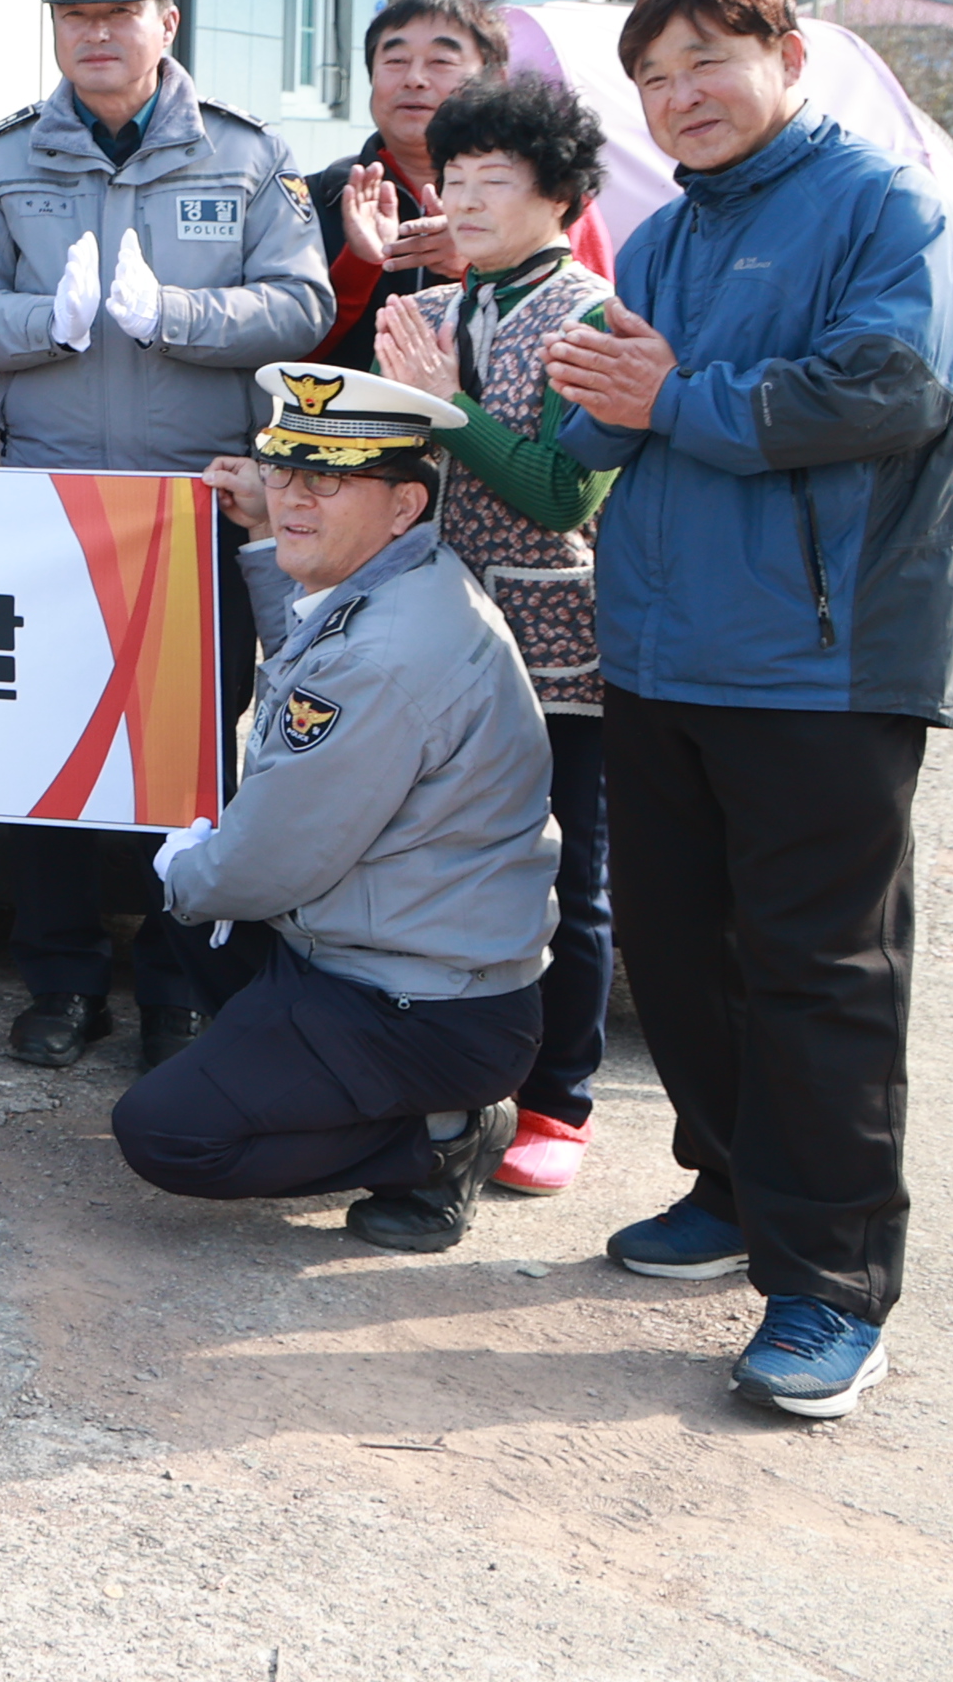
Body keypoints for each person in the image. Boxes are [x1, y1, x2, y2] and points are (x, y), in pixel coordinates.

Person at [547, 0, 953, 1421]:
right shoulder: (664, 237)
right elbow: (602, 412)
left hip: (822, 659)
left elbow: (890, 386)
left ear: (786, 58)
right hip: (665, 656)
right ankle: (731, 1191)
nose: (681, 98)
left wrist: (674, 396)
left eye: (706, 64)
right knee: (681, 955)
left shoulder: (886, 209)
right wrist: (537, 385)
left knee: (821, 977)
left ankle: (833, 1283)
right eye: (654, 81)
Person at [0, 0, 333, 1071]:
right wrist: (41, 328)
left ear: (167, 18)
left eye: (119, 8)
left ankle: (178, 985)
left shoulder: (247, 155)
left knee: (188, 758)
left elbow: (302, 306)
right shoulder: (3, 159)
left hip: (193, 506)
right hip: (51, 508)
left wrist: (180, 318)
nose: (96, 30)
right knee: (50, 750)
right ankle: (57, 980)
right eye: (74, 10)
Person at [114, 363, 557, 1256]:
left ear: (404, 504)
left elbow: (272, 859)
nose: (292, 501)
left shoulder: (388, 655)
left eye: (327, 481)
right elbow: (318, 639)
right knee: (194, 907)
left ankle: (439, 1139)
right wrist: (263, 531)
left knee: (166, 1132)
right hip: (382, 954)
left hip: (421, 1003)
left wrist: (184, 872)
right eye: (282, 471)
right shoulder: (406, 579)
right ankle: (298, 1069)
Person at [366, 70, 619, 1196]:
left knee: (566, 871)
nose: (462, 199)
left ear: (559, 192)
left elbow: (566, 493)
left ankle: (561, 1096)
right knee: (434, 855)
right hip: (433, 635)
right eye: (451, 176)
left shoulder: (593, 314)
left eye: (493, 179)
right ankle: (454, 1070)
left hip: (556, 645)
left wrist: (448, 405)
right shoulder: (429, 307)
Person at [304, 0, 506, 368]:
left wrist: (486, 264)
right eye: (395, 61)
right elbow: (287, 354)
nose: (415, 79)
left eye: (441, 62)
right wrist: (360, 263)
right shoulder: (314, 198)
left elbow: (577, 326)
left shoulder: (545, 199)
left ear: (492, 80)